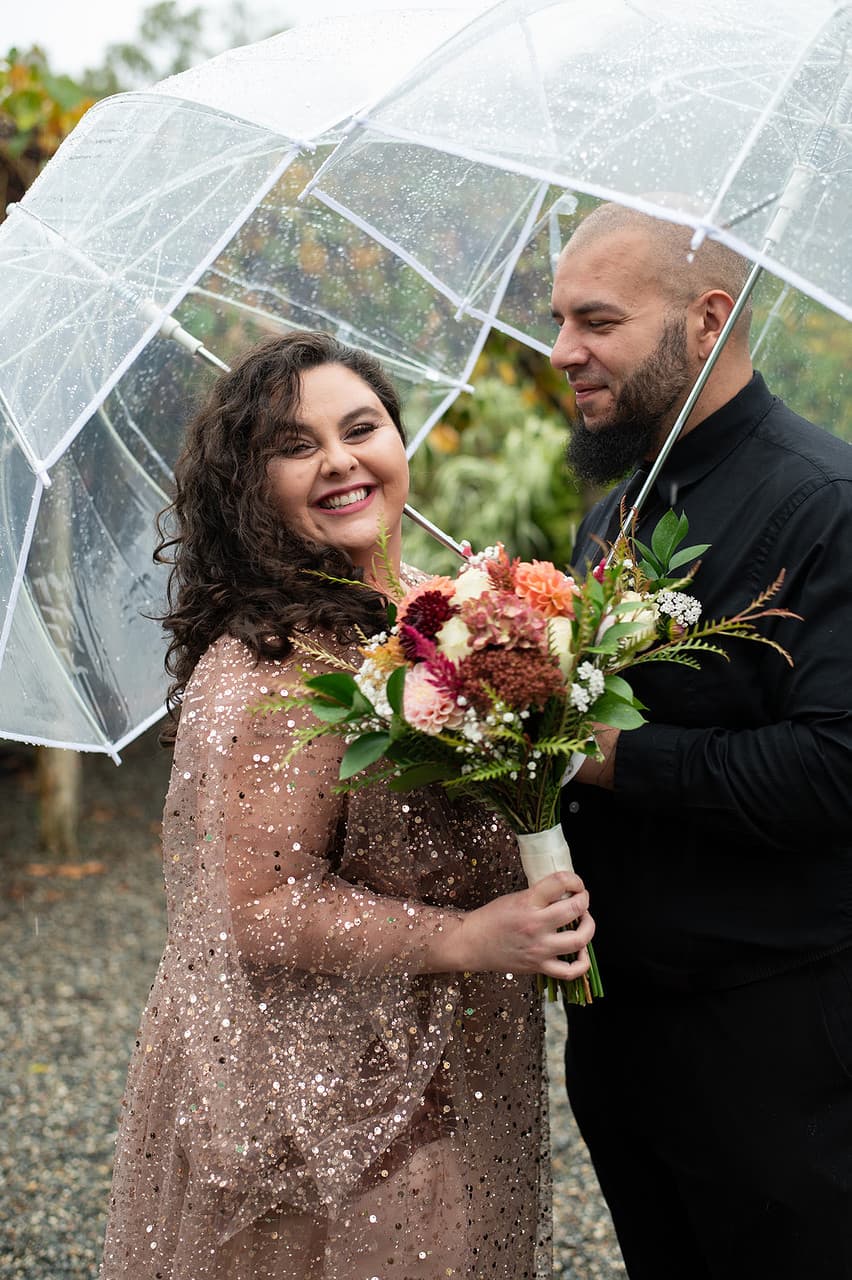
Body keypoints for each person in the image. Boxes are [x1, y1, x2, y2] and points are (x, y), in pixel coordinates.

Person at [100, 330, 595, 1280]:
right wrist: (472, 939)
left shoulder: (435, 616)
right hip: (320, 1112)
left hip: (442, 1061)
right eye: (293, 447)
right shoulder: (272, 665)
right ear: (249, 492)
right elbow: (257, 907)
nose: (340, 460)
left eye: (360, 427)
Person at [552, 203, 852, 1279]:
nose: (562, 352)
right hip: (622, 1031)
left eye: (597, 320)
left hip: (772, 1042)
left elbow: (836, 767)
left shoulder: (829, 502)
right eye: (558, 319)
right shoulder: (612, 514)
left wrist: (604, 754)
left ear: (707, 320)